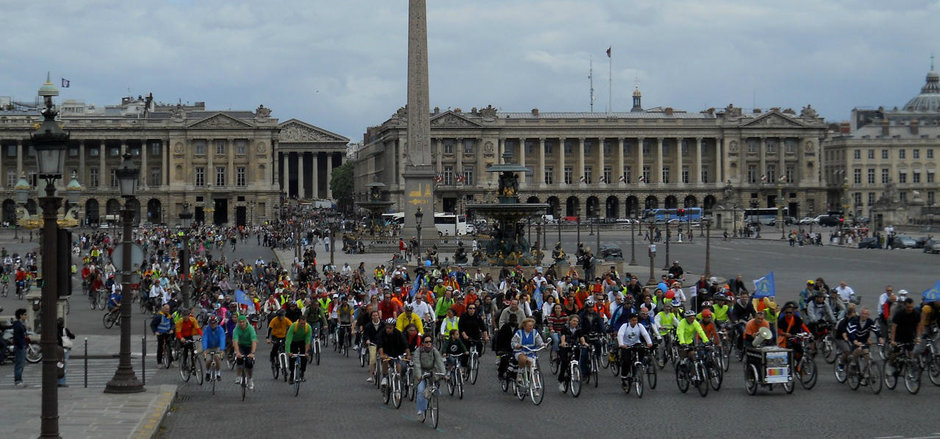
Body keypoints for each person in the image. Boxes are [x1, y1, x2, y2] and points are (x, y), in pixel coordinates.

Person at [413, 335, 445, 421]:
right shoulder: (418, 351)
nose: (428, 343)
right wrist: (419, 375)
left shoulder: (434, 350)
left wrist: (444, 374)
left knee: (435, 389)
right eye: (426, 342)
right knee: (420, 390)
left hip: (432, 372)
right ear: (422, 343)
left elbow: (440, 362)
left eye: (430, 341)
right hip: (422, 373)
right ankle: (420, 410)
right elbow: (417, 364)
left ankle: (433, 402)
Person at [888, 298, 923, 376]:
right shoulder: (899, 314)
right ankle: (890, 365)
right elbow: (894, 327)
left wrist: (918, 337)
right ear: (904, 306)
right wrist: (892, 340)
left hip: (910, 335)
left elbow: (918, 326)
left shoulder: (916, 313)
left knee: (911, 353)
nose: (910, 309)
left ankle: (909, 369)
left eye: (911, 307)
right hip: (899, 336)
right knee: (896, 353)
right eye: (908, 307)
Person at [617, 314, 653, 387]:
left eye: (636, 320)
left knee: (642, 351)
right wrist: (621, 344)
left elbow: (645, 334)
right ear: (629, 320)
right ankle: (624, 377)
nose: (635, 322)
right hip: (626, 345)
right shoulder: (625, 326)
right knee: (626, 361)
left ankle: (638, 366)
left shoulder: (639, 326)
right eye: (633, 320)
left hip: (636, 343)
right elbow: (620, 334)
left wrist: (649, 342)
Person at [511, 318, 546, 384]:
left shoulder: (535, 332)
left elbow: (539, 341)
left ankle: (535, 384)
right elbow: (513, 342)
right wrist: (517, 345)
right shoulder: (519, 333)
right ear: (524, 326)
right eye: (529, 326)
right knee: (523, 359)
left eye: (532, 326)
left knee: (533, 366)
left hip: (531, 352)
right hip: (520, 351)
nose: (531, 327)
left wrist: (543, 344)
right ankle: (520, 373)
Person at [378, 318, 410, 387]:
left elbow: (405, 345)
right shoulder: (382, 333)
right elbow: (380, 345)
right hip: (387, 353)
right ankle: (384, 377)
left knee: (399, 365)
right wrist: (381, 354)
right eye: (387, 327)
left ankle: (399, 380)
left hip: (397, 353)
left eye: (390, 328)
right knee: (385, 360)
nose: (388, 329)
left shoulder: (399, 333)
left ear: (394, 327)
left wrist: (408, 355)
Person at [556, 314, 585, 391]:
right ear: (570, 321)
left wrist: (584, 343)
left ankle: (575, 367)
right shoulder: (565, 327)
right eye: (574, 321)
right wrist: (563, 342)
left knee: (577, 353)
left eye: (577, 321)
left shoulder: (578, 328)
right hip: (565, 345)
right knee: (564, 362)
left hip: (574, 344)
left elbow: (581, 336)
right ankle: (561, 381)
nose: (575, 322)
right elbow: (563, 335)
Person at [232, 315, 258, 390]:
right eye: (240, 322)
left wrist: (252, 353)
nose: (242, 323)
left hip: (249, 346)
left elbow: (254, 341)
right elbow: (235, 341)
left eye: (243, 322)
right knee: (239, 359)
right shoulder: (236, 329)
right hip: (241, 345)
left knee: (249, 363)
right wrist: (237, 352)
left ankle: (250, 379)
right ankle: (238, 376)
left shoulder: (250, 328)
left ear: (246, 322)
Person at [284, 317, 312, 384]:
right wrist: (288, 352)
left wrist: (306, 352)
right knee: (292, 358)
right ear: (298, 322)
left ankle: (302, 373)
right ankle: (291, 376)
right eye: (301, 323)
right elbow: (288, 340)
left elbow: (308, 340)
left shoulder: (308, 327)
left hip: (302, 341)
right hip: (294, 342)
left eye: (304, 323)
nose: (302, 325)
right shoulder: (293, 326)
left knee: (304, 358)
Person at [202, 315, 226, 382]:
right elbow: (204, 339)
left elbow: (222, 339)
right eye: (211, 323)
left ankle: (218, 373)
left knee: (217, 357)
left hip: (217, 347)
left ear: (217, 323)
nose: (213, 324)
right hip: (209, 347)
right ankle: (207, 372)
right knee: (208, 360)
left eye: (214, 323)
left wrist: (222, 349)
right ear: (209, 323)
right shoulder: (206, 329)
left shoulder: (220, 329)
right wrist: (204, 349)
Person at [362, 311, 384, 383]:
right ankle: (371, 376)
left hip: (382, 344)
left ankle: (385, 376)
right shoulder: (368, 325)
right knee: (372, 359)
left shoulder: (383, 324)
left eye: (376, 315)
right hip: (373, 343)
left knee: (384, 359)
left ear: (378, 316)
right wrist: (367, 340)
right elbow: (366, 334)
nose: (375, 317)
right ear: (371, 317)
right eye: (373, 315)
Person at [57, 317, 75, 387]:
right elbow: (73, 336)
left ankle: (57, 381)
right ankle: (62, 382)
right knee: (63, 366)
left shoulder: (54, 329)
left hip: (57, 349)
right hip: (65, 349)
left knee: (58, 365)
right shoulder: (65, 330)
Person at [12, 308, 27, 386]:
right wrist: (21, 345)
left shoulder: (20, 324)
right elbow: (17, 336)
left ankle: (19, 379)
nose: (26, 316)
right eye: (24, 314)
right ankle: (18, 380)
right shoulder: (17, 325)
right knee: (19, 364)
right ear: (20, 315)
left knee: (21, 364)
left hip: (22, 345)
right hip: (19, 346)